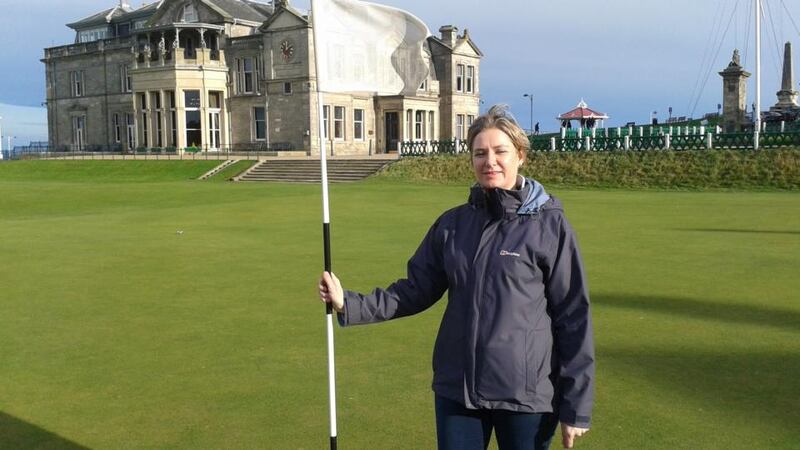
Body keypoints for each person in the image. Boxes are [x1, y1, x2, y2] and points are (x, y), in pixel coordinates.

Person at [319, 104, 594, 450]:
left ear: (520, 155)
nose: (489, 161)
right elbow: (414, 290)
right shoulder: (452, 225)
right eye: (480, 153)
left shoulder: (550, 226)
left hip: (526, 397)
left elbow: (573, 317)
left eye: (499, 151)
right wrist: (350, 304)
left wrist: (576, 407)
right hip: (457, 390)